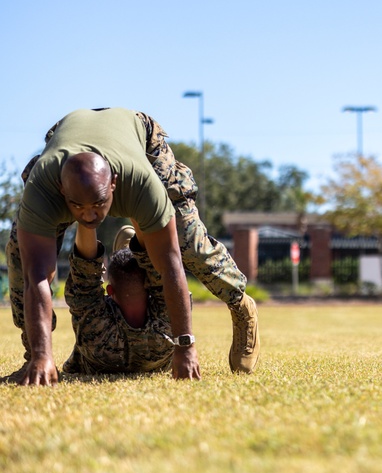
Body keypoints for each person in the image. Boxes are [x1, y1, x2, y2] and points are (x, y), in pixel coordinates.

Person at [5, 107, 259, 385]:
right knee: (21, 258)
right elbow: (38, 277)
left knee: (187, 241)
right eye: (78, 206)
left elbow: (171, 261)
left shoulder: (140, 181)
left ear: (114, 185)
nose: (89, 216)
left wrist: (185, 346)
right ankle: (34, 357)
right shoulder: (43, 187)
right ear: (61, 189)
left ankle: (240, 304)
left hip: (140, 139)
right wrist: (42, 354)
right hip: (65, 135)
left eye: (98, 205)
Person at [60, 225, 178, 376]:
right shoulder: (167, 331)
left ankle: (129, 259)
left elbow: (84, 278)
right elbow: (169, 283)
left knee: (87, 299)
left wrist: (86, 217)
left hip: (100, 354)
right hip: (155, 355)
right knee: (164, 288)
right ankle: (134, 256)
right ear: (149, 287)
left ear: (110, 292)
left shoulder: (96, 334)